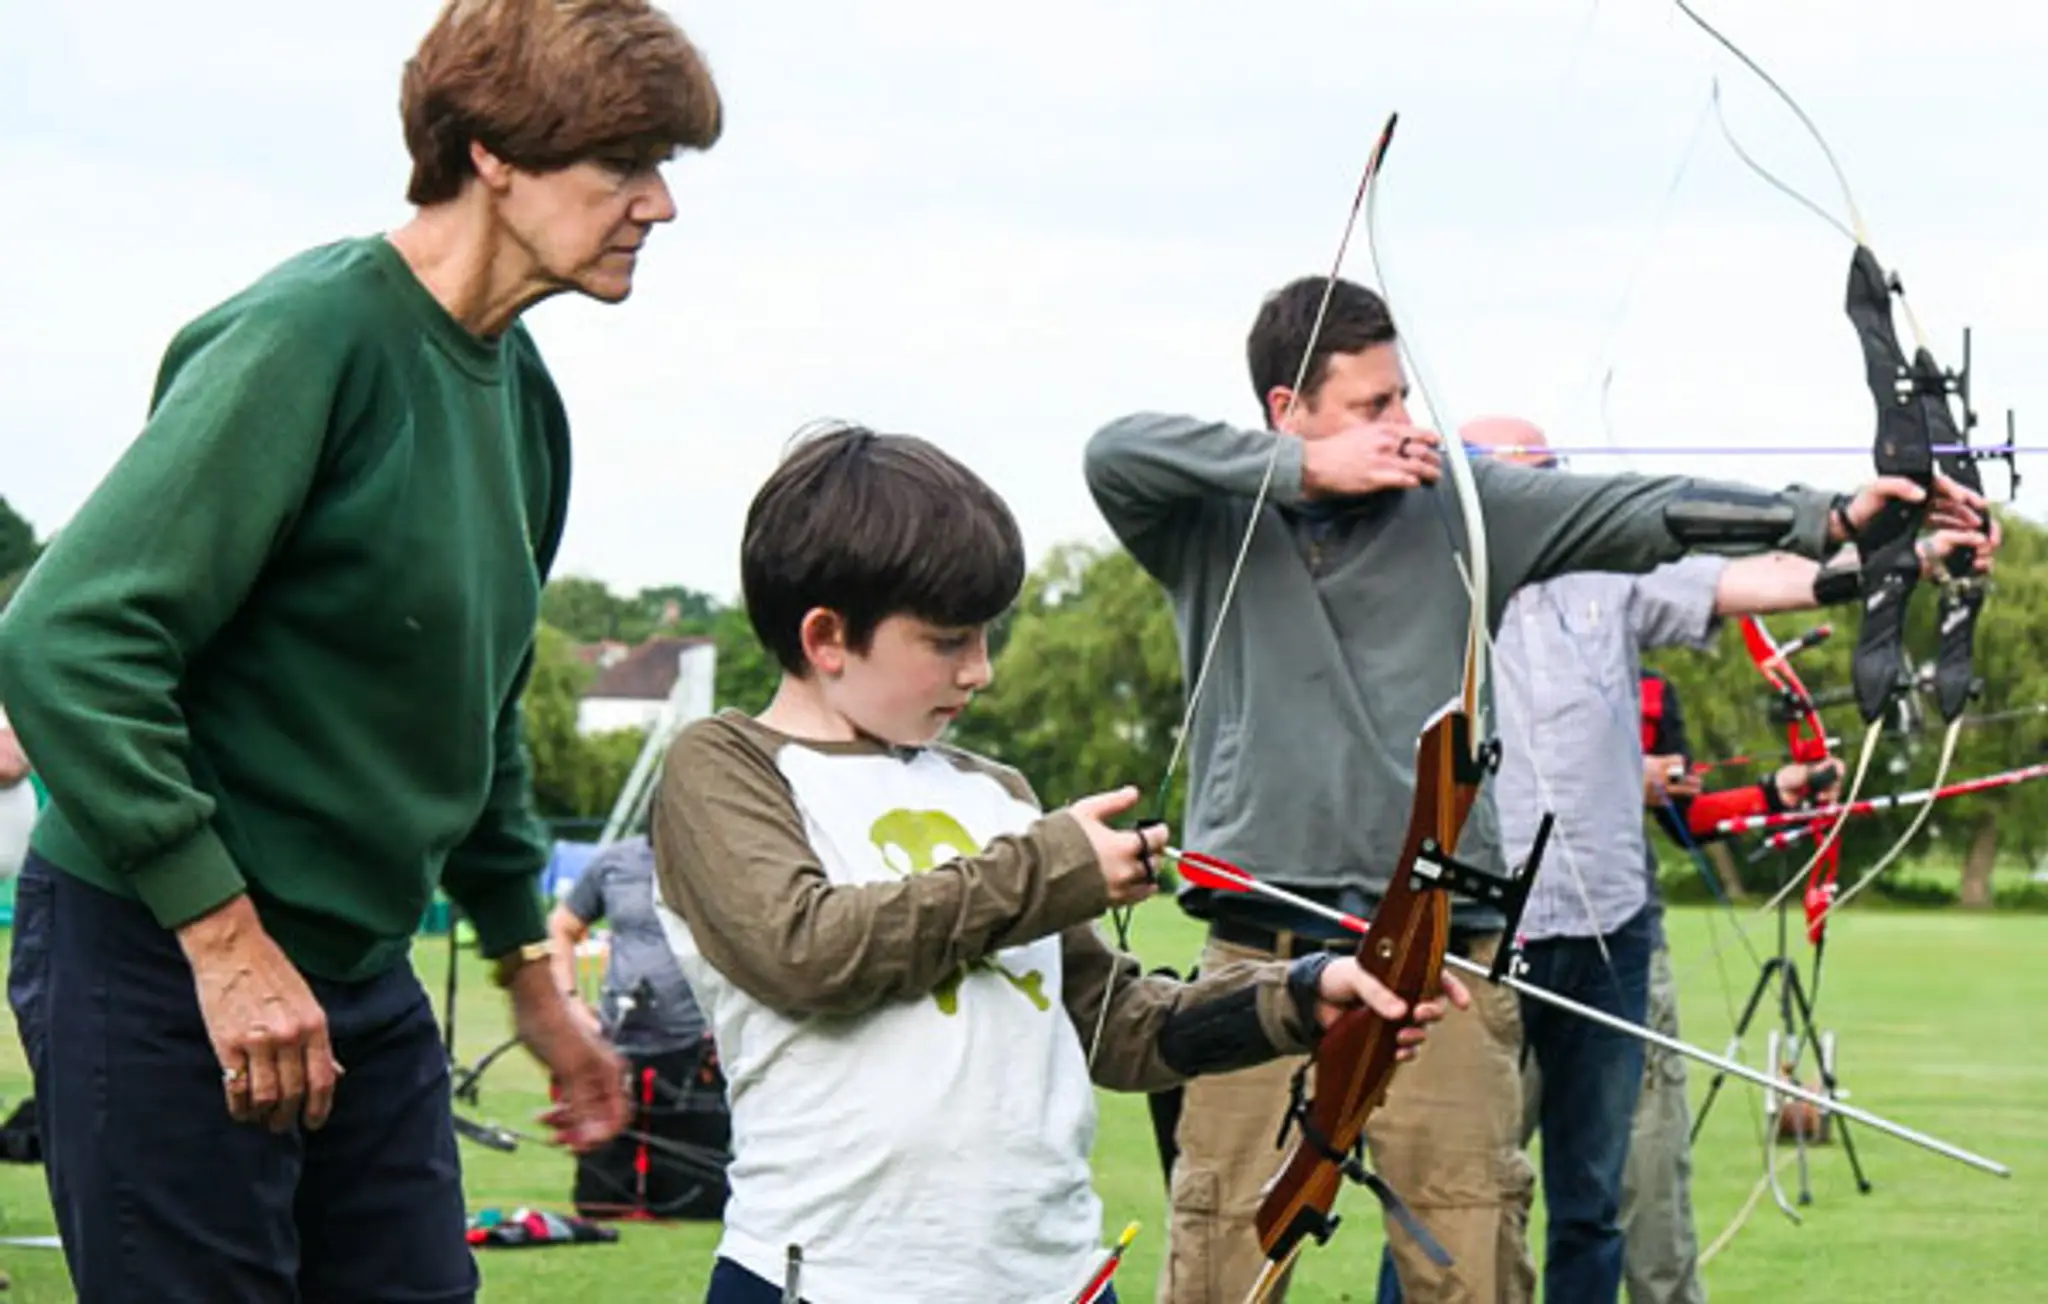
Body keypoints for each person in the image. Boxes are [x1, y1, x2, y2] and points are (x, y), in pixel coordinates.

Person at [1081, 274, 1996, 1304]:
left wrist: (1828, 516)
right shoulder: (1209, 524)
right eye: (1369, 407)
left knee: (1470, 1264)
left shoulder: (1460, 509)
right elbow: (1112, 450)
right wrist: (1305, 467)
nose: (1401, 424)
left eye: (1401, 399)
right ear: (1287, 410)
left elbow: (1635, 509)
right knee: (1218, 1266)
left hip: (1440, 961)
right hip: (1257, 953)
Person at [0, 3, 724, 1298]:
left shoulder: (526, 406)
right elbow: (67, 639)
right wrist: (222, 941)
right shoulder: (309, 336)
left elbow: (479, 718)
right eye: (624, 163)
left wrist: (536, 981)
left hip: (359, 974)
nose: (659, 204)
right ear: (494, 153)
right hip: (161, 955)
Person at [646, 422, 1467, 1304]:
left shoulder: (994, 790)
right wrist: (1050, 867)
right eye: (948, 641)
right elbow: (804, 950)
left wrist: (1303, 995)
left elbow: (1118, 1028)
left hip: (1055, 1279)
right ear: (827, 638)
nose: (981, 671)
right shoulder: (727, 767)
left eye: (986, 636)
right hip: (829, 1278)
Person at [1466, 416, 1985, 1304]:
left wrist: (1917, 553)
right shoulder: (1432, 587)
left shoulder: (1609, 573)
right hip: (1476, 941)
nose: (1547, 492)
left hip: (1610, 940)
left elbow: (1771, 577)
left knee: (1592, 1207)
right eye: (1523, 477)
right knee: (1458, 1201)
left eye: (1553, 473)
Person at [1622, 669, 1843, 1304]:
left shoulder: (1657, 690)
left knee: (1653, 1166)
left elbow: (1686, 819)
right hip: (1498, 939)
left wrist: (1775, 792)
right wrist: (1617, 774)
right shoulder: (1492, 648)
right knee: (1473, 1176)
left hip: (1630, 939)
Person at [549, 832, 732, 1220]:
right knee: (600, 1202)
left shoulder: (723, 856)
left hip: (697, 1043)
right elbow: (562, 926)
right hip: (620, 1039)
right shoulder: (615, 862)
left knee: (700, 1203)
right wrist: (571, 1001)